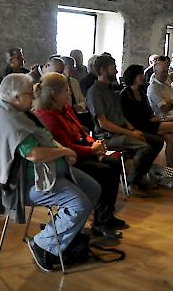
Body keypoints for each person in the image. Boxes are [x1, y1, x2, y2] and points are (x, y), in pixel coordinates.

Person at [0, 74, 101, 271]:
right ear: (15, 97)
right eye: (29, 94)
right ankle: (42, 244)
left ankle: (64, 238)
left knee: (93, 189)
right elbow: (34, 154)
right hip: (28, 183)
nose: (33, 97)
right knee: (80, 203)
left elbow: (45, 137)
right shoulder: (10, 121)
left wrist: (65, 153)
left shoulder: (19, 112)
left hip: (47, 171)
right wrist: (65, 151)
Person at [33, 73, 125, 239]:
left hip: (83, 151)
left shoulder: (65, 108)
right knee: (104, 171)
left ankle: (106, 216)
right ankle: (100, 222)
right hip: (66, 161)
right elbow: (66, 146)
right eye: (66, 90)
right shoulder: (47, 115)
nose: (69, 93)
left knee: (114, 162)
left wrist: (94, 144)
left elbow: (80, 131)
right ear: (54, 94)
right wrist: (92, 150)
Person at [86, 54, 161, 194]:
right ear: (103, 70)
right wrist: (130, 133)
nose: (115, 71)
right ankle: (133, 183)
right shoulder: (95, 92)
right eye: (113, 67)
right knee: (144, 147)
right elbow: (104, 123)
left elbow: (120, 116)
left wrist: (133, 129)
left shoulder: (111, 89)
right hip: (107, 136)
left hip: (121, 131)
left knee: (157, 142)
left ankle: (140, 175)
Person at [121, 64, 173, 174]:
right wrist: (153, 119)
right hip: (138, 125)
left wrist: (155, 118)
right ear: (133, 77)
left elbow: (148, 112)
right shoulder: (125, 94)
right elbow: (128, 116)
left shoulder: (141, 92)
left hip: (148, 122)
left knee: (170, 138)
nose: (143, 76)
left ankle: (172, 170)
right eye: (140, 74)